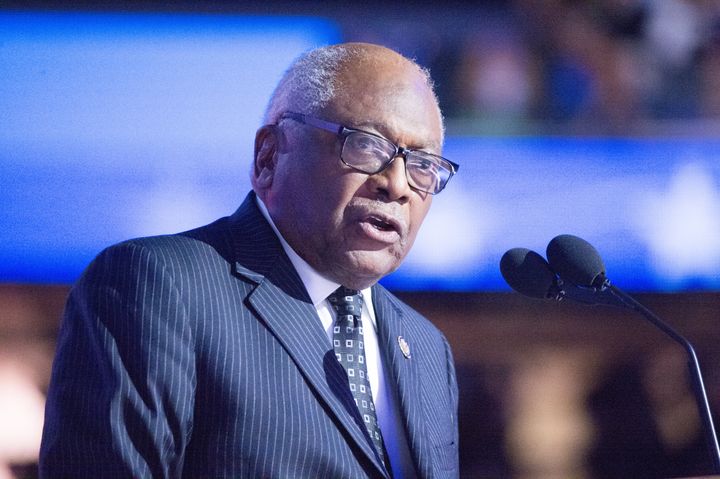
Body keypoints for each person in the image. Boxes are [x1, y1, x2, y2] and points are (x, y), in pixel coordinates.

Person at [40, 42, 460, 478]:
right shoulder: (157, 286)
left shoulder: (428, 349)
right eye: (366, 146)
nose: (397, 185)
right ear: (268, 156)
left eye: (423, 165)